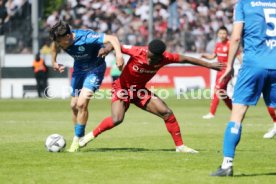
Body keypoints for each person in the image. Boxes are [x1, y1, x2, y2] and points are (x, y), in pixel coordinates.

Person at [78, 39, 223, 153]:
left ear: (161, 57)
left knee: (167, 113)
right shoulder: (137, 51)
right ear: (147, 51)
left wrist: (208, 65)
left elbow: (186, 59)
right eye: (149, 57)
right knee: (117, 119)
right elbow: (115, 44)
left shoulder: (166, 58)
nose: (150, 61)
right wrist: (106, 49)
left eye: (154, 60)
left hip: (140, 91)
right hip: (122, 88)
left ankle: (180, 146)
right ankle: (88, 137)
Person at [211, 0, 276, 176]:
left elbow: (236, 37)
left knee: (237, 114)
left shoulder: (243, 4)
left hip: (253, 65)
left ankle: (227, 165)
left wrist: (229, 65)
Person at [49, 20, 124, 152]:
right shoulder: (60, 40)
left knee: (82, 103)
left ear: (68, 36)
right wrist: (54, 62)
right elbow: (54, 46)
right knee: (73, 105)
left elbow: (112, 38)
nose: (59, 44)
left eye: (60, 41)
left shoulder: (86, 37)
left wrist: (119, 56)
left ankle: (76, 140)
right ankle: (80, 134)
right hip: (78, 70)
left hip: (95, 69)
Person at [201, 26, 242, 119]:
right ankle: (236, 111)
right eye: (220, 33)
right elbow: (212, 57)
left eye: (224, 33)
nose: (222, 35)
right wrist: (204, 56)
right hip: (219, 71)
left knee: (217, 90)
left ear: (227, 34)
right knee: (223, 94)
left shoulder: (231, 44)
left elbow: (239, 56)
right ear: (218, 34)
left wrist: (243, 66)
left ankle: (211, 113)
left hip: (226, 71)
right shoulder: (218, 45)